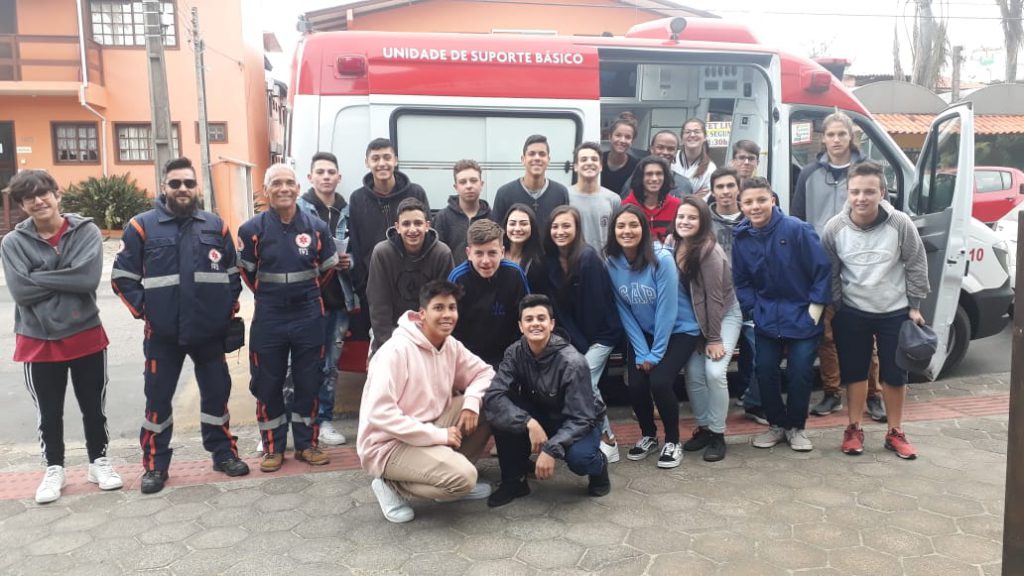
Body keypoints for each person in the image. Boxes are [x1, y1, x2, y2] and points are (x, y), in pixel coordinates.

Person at [112, 157, 247, 494]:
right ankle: (155, 465)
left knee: (217, 396)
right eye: (176, 184)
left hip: (209, 335)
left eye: (188, 183)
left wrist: (225, 314)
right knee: (157, 402)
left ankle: (222, 454)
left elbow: (233, 276)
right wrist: (148, 312)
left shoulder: (215, 226)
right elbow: (123, 278)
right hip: (163, 337)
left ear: (196, 187)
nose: (183, 189)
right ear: (164, 187)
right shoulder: (142, 226)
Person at [2, 170, 122, 504]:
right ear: (22, 205)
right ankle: (54, 468)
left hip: (85, 333)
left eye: (44, 193)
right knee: (49, 412)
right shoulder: (12, 243)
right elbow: (21, 291)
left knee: (93, 407)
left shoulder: (86, 231)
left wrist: (39, 275)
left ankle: (98, 461)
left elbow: (86, 280)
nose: (38, 201)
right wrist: (62, 276)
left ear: (57, 195)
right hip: (37, 339)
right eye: (29, 197)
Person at [357, 281, 495, 523]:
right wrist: (438, 437)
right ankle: (390, 485)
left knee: (488, 405)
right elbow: (380, 414)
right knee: (464, 478)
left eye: (451, 308)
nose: (447, 315)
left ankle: (446, 478)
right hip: (390, 443)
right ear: (422, 314)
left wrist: (471, 402)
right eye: (438, 308)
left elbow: (485, 373)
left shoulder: (450, 344)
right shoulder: (395, 351)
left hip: (432, 426)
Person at [821, 161, 929, 460]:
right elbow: (830, 272)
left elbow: (916, 262)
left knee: (896, 376)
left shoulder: (900, 223)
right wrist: (835, 309)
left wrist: (915, 306)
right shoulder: (835, 228)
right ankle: (853, 428)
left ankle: (895, 432)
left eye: (869, 191)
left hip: (895, 311)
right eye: (855, 191)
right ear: (847, 192)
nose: (861, 198)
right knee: (855, 373)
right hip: (852, 311)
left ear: (882, 192)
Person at [238, 163, 338, 472]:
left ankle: (307, 444)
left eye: (289, 183)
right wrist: (275, 295)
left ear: (298, 188)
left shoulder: (317, 228)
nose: (284, 188)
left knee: (310, 381)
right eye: (276, 183)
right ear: (266, 191)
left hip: (308, 314)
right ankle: (273, 447)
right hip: (269, 316)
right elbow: (247, 273)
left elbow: (327, 270)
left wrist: (300, 293)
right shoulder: (251, 230)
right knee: (268, 384)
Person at [792, 112, 885, 422]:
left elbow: (883, 213)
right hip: (820, 265)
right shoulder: (808, 174)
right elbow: (799, 219)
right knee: (827, 334)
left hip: (861, 263)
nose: (835, 140)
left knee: (867, 333)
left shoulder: (867, 171)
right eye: (830, 134)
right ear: (823, 138)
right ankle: (832, 392)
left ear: (850, 136)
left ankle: (874, 395)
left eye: (841, 134)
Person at [732, 177, 831, 453]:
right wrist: (752, 307)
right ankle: (776, 425)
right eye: (749, 202)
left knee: (800, 373)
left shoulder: (797, 229)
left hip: (802, 314)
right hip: (766, 317)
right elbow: (740, 280)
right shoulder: (741, 237)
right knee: (764, 371)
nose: (755, 206)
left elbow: (822, 269)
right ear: (741, 204)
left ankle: (796, 427)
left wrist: (817, 306)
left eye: (761, 200)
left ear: (772, 200)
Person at [484, 294, 611, 507]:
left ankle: (598, 466)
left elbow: (582, 417)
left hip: (580, 420)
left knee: (580, 459)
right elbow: (494, 395)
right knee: (501, 411)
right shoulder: (514, 352)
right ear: (520, 326)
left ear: (551, 324)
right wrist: (528, 422)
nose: (535, 324)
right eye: (529, 319)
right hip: (541, 414)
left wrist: (551, 449)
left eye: (541, 318)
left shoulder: (572, 362)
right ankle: (514, 482)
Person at [606, 204, 700, 469]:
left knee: (659, 381)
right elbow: (624, 310)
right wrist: (640, 351)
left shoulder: (662, 258)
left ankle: (673, 441)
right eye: (621, 226)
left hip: (680, 330)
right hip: (644, 333)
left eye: (633, 225)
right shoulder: (611, 262)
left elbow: (667, 310)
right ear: (613, 231)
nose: (627, 231)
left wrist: (655, 354)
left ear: (644, 229)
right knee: (635, 384)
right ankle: (648, 436)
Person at [544, 206, 624, 462]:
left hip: (601, 334)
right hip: (575, 337)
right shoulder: (551, 260)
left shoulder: (588, 258)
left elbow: (594, 310)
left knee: (584, 375)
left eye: (566, 226)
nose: (560, 231)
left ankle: (607, 439)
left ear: (577, 229)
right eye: (555, 226)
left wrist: (579, 348)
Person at [669, 196, 743, 462]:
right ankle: (702, 428)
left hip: (723, 315)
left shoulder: (709, 252)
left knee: (714, 372)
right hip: (695, 318)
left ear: (702, 222)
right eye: (681, 217)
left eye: (692, 217)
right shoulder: (672, 244)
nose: (685, 222)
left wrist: (713, 338)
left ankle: (718, 434)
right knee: (693, 373)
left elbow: (715, 299)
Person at [296, 151, 356, 446]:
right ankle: (294, 424)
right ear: (310, 177)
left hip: (338, 299)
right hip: (305, 300)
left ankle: (324, 421)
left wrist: (349, 261)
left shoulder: (348, 210)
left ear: (339, 177)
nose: (326, 177)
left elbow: (360, 248)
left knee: (330, 366)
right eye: (320, 172)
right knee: (297, 364)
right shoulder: (298, 210)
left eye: (331, 172)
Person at [349, 138, 430, 339]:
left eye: (387, 157)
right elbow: (356, 246)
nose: (381, 163)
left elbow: (427, 237)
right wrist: (362, 286)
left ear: (396, 160)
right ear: (367, 162)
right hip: (375, 288)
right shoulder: (357, 199)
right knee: (382, 345)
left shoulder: (416, 192)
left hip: (413, 286)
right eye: (375, 158)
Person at [707, 167, 764, 424]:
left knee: (761, 352)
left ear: (738, 189)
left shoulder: (754, 217)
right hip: (717, 301)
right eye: (720, 187)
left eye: (730, 186)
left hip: (751, 297)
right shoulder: (704, 220)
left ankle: (753, 402)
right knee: (715, 358)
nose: (726, 191)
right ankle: (713, 408)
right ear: (713, 191)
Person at [367, 197, 454, 354]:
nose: (412, 229)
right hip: (391, 331)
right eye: (406, 224)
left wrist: (429, 342)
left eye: (418, 223)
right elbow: (379, 304)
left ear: (427, 225)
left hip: (428, 333)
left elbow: (443, 303)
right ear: (397, 227)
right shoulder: (382, 253)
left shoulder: (442, 254)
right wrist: (389, 346)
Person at [448, 219, 529, 367]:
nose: (486, 261)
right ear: (468, 253)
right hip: (469, 359)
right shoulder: (457, 279)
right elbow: (451, 329)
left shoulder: (515, 274)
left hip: (509, 357)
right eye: (479, 253)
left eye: (492, 253)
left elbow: (526, 317)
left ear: (502, 252)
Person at [490, 134, 569, 227]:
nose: (537, 158)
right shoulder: (504, 193)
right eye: (531, 154)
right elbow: (496, 233)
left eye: (542, 154)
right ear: (523, 159)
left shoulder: (560, 193)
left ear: (548, 160)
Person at [433, 159, 492, 265]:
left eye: (473, 180)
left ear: (481, 184)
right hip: (451, 279)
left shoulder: (492, 217)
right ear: (456, 187)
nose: (469, 186)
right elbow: (437, 257)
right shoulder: (442, 218)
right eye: (463, 182)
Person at [569, 142, 621, 254]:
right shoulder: (564, 196)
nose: (589, 163)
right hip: (573, 265)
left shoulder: (613, 199)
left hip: (604, 265)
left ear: (601, 166)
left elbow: (617, 236)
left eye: (594, 159)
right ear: (575, 167)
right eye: (583, 159)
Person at [622, 156, 682, 243]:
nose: (654, 179)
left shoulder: (676, 205)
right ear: (640, 177)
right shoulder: (627, 206)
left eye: (659, 174)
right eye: (649, 174)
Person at [624, 131, 692, 198]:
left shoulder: (684, 184)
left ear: (676, 152)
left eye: (670, 149)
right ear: (651, 149)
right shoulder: (635, 180)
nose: (665, 152)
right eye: (660, 147)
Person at [502, 203, 548, 294]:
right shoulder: (495, 254)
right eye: (512, 224)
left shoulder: (539, 262)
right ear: (505, 226)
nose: (517, 228)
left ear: (532, 227)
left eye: (523, 224)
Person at [676, 118, 717, 198]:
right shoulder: (672, 158)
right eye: (687, 132)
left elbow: (705, 199)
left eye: (697, 132)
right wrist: (693, 197)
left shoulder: (710, 168)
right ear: (682, 138)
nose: (692, 135)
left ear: (705, 137)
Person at [601, 114, 640, 194]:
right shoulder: (598, 160)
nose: (622, 140)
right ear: (610, 137)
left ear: (632, 141)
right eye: (618, 135)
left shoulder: (637, 166)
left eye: (628, 137)